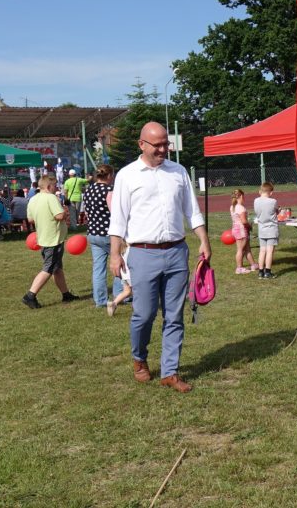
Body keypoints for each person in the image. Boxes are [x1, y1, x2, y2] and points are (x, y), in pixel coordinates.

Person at [109, 121, 211, 393]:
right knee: (144, 314)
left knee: (174, 315)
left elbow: (192, 211)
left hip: (177, 252)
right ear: (142, 144)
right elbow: (118, 219)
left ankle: (170, 371)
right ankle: (139, 358)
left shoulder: (178, 172)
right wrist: (115, 254)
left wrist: (203, 240)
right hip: (143, 254)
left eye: (167, 144)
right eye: (158, 145)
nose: (164, 149)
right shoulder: (127, 175)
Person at [22, 175, 78, 308]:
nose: (57, 188)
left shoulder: (33, 199)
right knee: (48, 268)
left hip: (43, 237)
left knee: (57, 268)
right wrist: (65, 213)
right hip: (53, 238)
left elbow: (30, 219)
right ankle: (30, 295)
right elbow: (58, 216)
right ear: (48, 186)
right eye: (55, 186)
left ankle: (66, 294)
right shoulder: (51, 198)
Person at [83, 164, 122, 308]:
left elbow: (86, 212)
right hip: (109, 234)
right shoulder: (110, 190)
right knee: (120, 263)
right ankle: (120, 294)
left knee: (98, 268)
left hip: (93, 233)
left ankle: (100, 300)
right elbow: (115, 213)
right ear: (110, 176)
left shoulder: (88, 191)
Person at [253, 182, 279, 279]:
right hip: (271, 229)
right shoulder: (273, 201)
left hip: (261, 229)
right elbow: (276, 210)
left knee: (262, 251)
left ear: (260, 191)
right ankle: (268, 271)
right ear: (271, 192)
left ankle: (260, 271)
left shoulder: (256, 201)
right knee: (270, 251)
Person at [230, 189, 258, 275]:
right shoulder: (241, 208)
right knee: (241, 250)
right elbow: (244, 221)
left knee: (247, 248)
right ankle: (239, 268)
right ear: (241, 196)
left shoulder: (232, 207)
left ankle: (253, 265)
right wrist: (250, 225)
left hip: (235, 228)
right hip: (241, 230)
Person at [106, 242, 132, 317]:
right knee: (138, 291)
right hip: (131, 275)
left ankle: (114, 303)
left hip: (124, 275)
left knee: (126, 291)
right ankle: (138, 307)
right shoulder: (131, 250)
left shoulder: (120, 251)